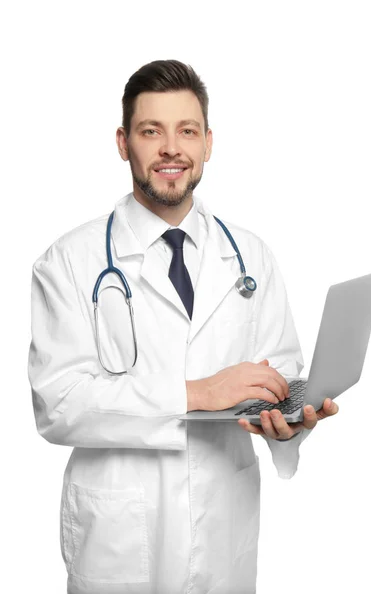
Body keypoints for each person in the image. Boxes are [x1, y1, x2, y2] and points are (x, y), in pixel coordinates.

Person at [28, 59, 339, 594]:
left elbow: (280, 373)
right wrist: (198, 394)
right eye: (152, 131)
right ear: (124, 143)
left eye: (187, 131)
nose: (171, 148)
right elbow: (58, 405)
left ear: (208, 143)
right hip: (120, 537)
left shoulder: (250, 257)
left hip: (223, 530)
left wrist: (290, 420)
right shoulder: (69, 261)